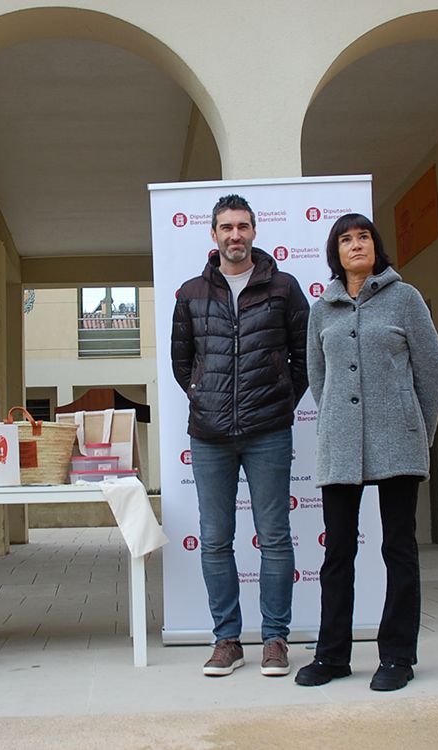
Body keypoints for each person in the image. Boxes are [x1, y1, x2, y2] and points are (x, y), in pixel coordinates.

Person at [294, 213, 438, 691]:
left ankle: (398, 656)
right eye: (346, 239)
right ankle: (332, 655)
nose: (356, 245)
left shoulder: (406, 299)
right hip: (340, 444)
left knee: (399, 548)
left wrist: (416, 430)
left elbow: (432, 372)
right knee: (337, 552)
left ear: (377, 247)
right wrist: (342, 417)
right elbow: (318, 378)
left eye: (363, 237)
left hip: (397, 438)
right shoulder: (323, 309)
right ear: (334, 252)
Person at [171, 193, 309, 677]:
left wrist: (279, 400)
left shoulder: (284, 287)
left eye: (243, 227)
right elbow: (181, 362)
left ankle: (275, 640)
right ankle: (227, 639)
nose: (235, 235)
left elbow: (304, 356)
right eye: (226, 227)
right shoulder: (190, 293)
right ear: (213, 234)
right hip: (209, 435)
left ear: (254, 232)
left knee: (273, 537)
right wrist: (204, 394)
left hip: (268, 430)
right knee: (215, 539)